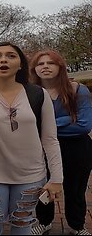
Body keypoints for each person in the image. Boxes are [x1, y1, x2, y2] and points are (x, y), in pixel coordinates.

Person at [0, 42, 63, 235]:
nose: (3, 59)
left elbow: (50, 139)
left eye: (11, 56)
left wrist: (57, 178)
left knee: (22, 222)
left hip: (31, 175)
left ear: (20, 64)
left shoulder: (37, 94)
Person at [29, 49, 92, 235]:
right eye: (40, 64)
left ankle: (77, 225)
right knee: (43, 188)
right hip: (42, 149)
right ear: (34, 69)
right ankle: (44, 222)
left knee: (76, 190)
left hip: (76, 149)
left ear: (60, 67)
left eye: (51, 63)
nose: (45, 66)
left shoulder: (78, 90)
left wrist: (46, 125)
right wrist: (68, 119)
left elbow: (84, 124)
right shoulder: (30, 93)